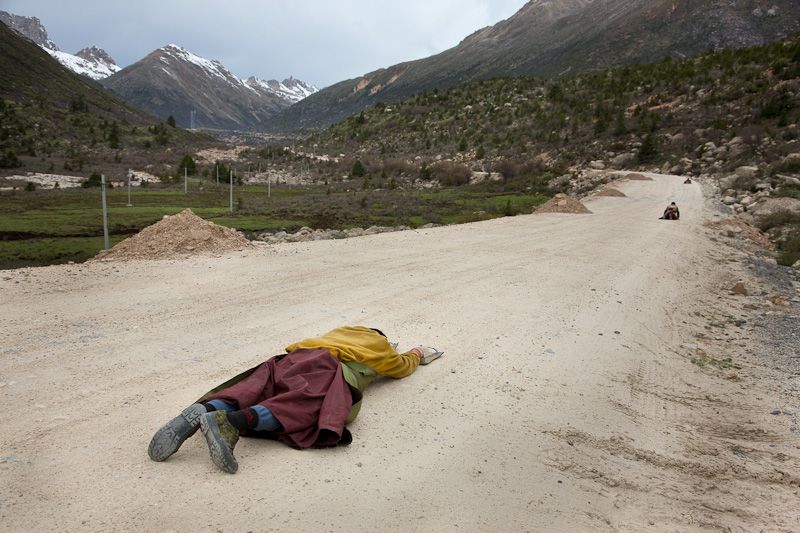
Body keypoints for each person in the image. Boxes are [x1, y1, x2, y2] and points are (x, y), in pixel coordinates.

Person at [148, 326, 432, 473]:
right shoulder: (381, 347)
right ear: (380, 337)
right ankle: (231, 423)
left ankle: (205, 409)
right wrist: (417, 352)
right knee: (307, 404)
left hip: (290, 359)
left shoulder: (336, 333)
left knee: (253, 390)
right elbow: (403, 366)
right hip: (328, 368)